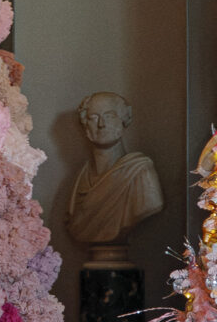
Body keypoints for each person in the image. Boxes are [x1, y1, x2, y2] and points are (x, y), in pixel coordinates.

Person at [66, 92, 163, 268]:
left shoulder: (140, 171)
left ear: (124, 120)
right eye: (94, 117)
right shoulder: (81, 177)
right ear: (85, 125)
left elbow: (152, 204)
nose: (101, 124)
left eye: (109, 116)